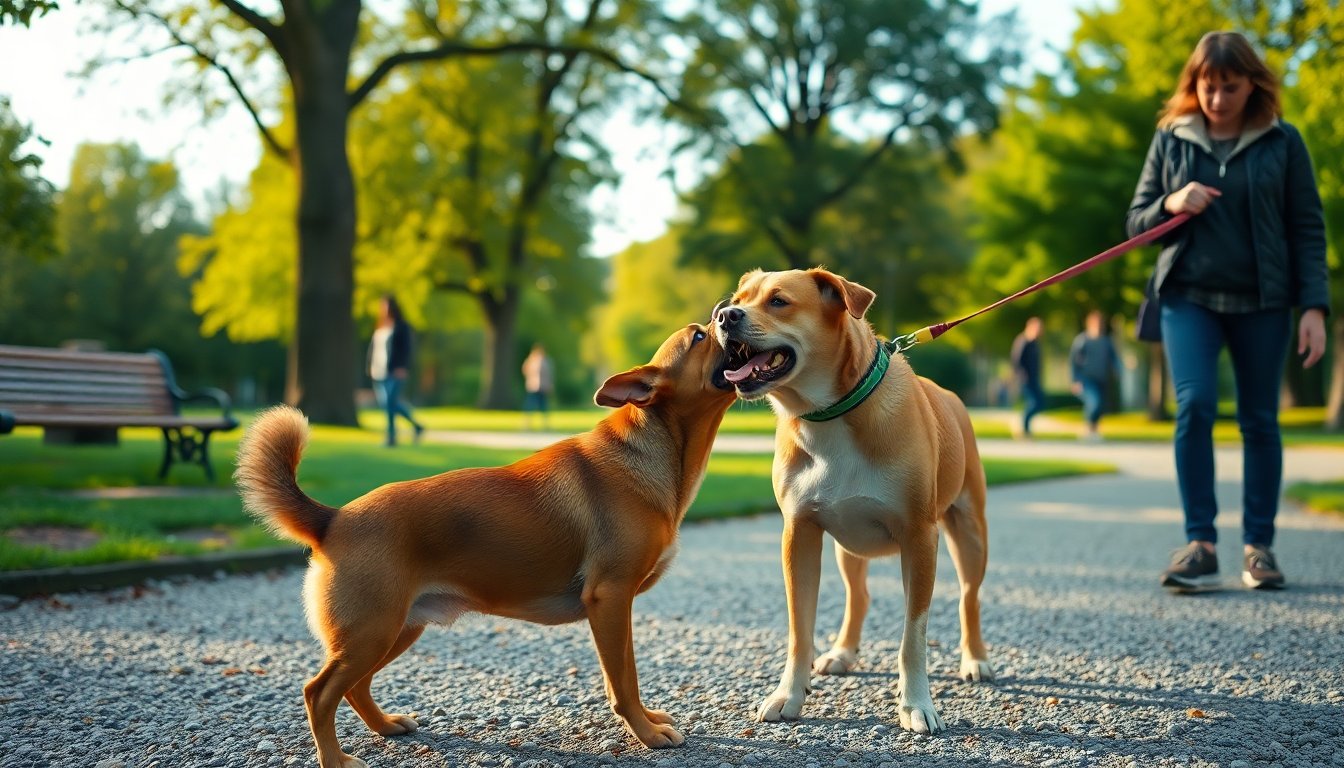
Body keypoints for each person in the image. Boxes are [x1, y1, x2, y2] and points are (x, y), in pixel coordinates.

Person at [1126, 31, 1330, 592]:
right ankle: (1201, 545)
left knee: (1259, 419)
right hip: (1188, 297)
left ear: (1252, 85)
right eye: (1207, 87)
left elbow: (1307, 229)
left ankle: (1259, 547)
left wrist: (1314, 307)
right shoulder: (1171, 138)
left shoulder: (1283, 141)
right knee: (1194, 405)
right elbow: (1136, 220)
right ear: (1194, 85)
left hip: (1264, 301)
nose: (1217, 99)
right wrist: (1171, 201)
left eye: (1230, 87)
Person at [367, 295, 425, 447]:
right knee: (387, 404)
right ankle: (417, 426)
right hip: (378, 370)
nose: (384, 309)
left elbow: (406, 349)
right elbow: (374, 348)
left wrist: (402, 367)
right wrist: (369, 365)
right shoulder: (380, 326)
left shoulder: (401, 326)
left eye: (386, 306)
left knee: (390, 403)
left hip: (394, 371)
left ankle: (391, 436)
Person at [1069, 310, 1123, 442]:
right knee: (1094, 402)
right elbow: (1073, 361)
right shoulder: (1082, 340)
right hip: (1086, 379)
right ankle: (1088, 429)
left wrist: (1118, 370)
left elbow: (1114, 359)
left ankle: (1094, 430)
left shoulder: (1106, 341)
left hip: (1102, 378)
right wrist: (1075, 380)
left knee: (1100, 406)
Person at [1009, 317, 1046, 439]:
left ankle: (1025, 426)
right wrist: (1022, 376)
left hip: (1034, 379)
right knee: (1034, 403)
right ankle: (1024, 428)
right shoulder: (1023, 341)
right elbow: (1016, 361)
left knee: (1039, 402)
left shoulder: (1035, 343)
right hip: (1025, 379)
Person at [521, 343, 554, 431]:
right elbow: (524, 370)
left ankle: (545, 425)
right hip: (533, 387)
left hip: (543, 387)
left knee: (544, 407)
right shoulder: (531, 360)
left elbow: (549, 374)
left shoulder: (546, 361)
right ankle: (527, 424)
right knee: (530, 406)